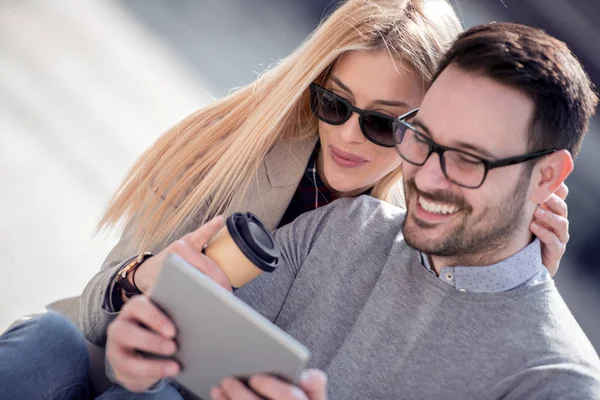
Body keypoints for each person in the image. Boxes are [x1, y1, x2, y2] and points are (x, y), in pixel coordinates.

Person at [0, 0, 569, 398]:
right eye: (334, 104)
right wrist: (143, 276)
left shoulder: (414, 225)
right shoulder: (230, 149)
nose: (347, 135)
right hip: (102, 365)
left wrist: (514, 250)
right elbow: (96, 304)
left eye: (381, 124)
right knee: (52, 340)